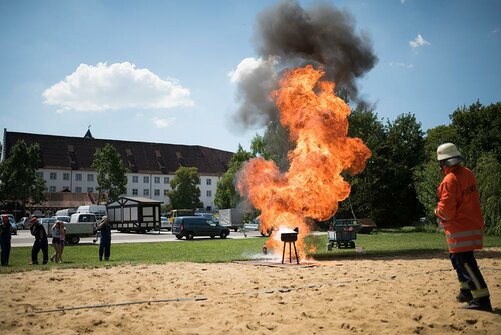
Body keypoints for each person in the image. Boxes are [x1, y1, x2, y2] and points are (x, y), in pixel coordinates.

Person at [434, 143, 492, 312]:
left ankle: (482, 300)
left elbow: (446, 211)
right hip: (471, 225)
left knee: (465, 263)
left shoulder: (449, 180)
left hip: (459, 230)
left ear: (443, 162)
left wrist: (437, 212)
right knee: (458, 261)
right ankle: (466, 292)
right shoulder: (468, 173)